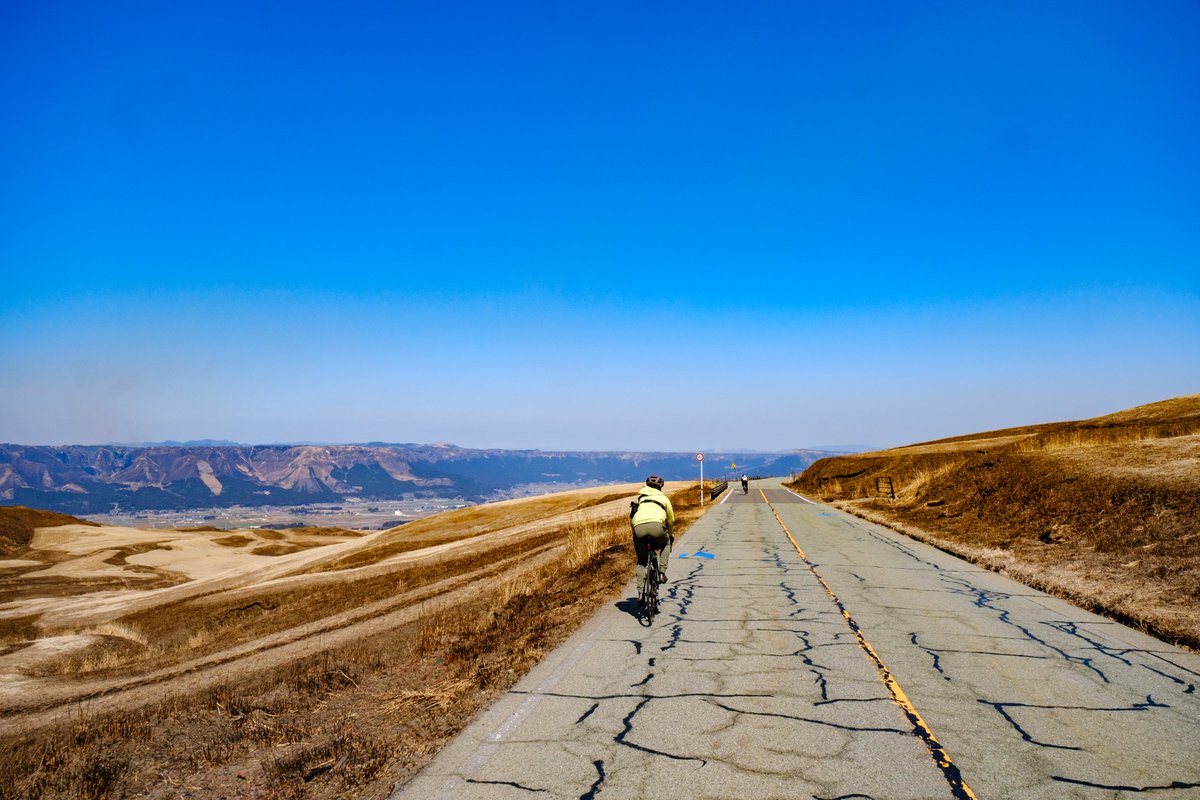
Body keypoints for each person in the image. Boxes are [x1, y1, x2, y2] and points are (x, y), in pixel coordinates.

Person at [630, 475, 675, 605]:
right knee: (666, 543)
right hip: (657, 527)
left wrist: (636, 532)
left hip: (638, 528)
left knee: (641, 562)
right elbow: (671, 520)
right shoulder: (664, 499)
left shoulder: (640, 498)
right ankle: (661, 573)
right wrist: (670, 535)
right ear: (661, 486)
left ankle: (640, 593)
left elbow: (632, 517)